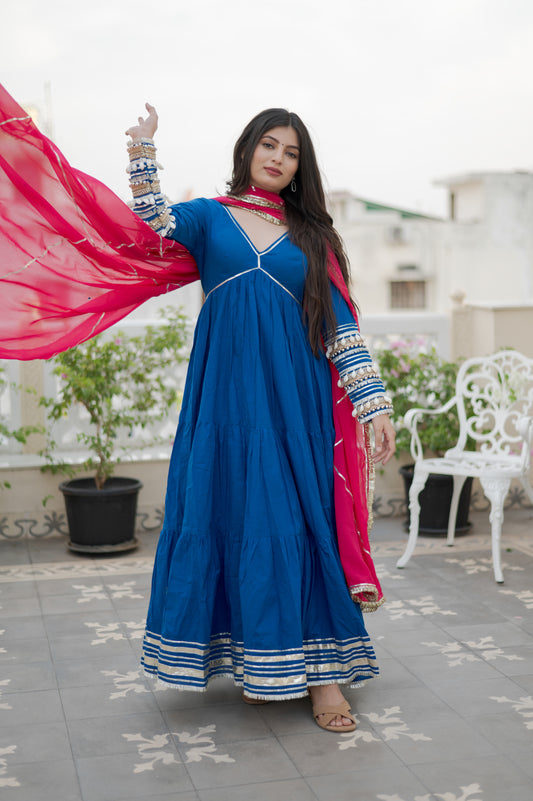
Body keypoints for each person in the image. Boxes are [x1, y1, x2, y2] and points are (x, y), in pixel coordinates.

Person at [124, 104, 396, 733]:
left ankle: (325, 679)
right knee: (230, 514)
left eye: (291, 151)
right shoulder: (209, 219)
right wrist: (143, 153)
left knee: (299, 520)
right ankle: (257, 659)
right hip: (222, 405)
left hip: (293, 406)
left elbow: (340, 326)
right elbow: (152, 224)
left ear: (301, 167)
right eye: (268, 145)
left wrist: (372, 405)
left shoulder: (312, 237)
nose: (277, 158)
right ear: (247, 150)